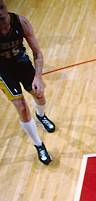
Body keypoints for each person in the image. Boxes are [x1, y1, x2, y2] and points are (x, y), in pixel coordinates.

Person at [0, 0, 55, 165]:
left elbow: (37, 53)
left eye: (1, 8)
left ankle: (41, 115)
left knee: (39, 94)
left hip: (21, 63)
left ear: (6, 7)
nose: (0, 14)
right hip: (3, 70)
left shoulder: (21, 22)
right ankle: (39, 145)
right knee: (22, 107)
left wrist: (38, 76)